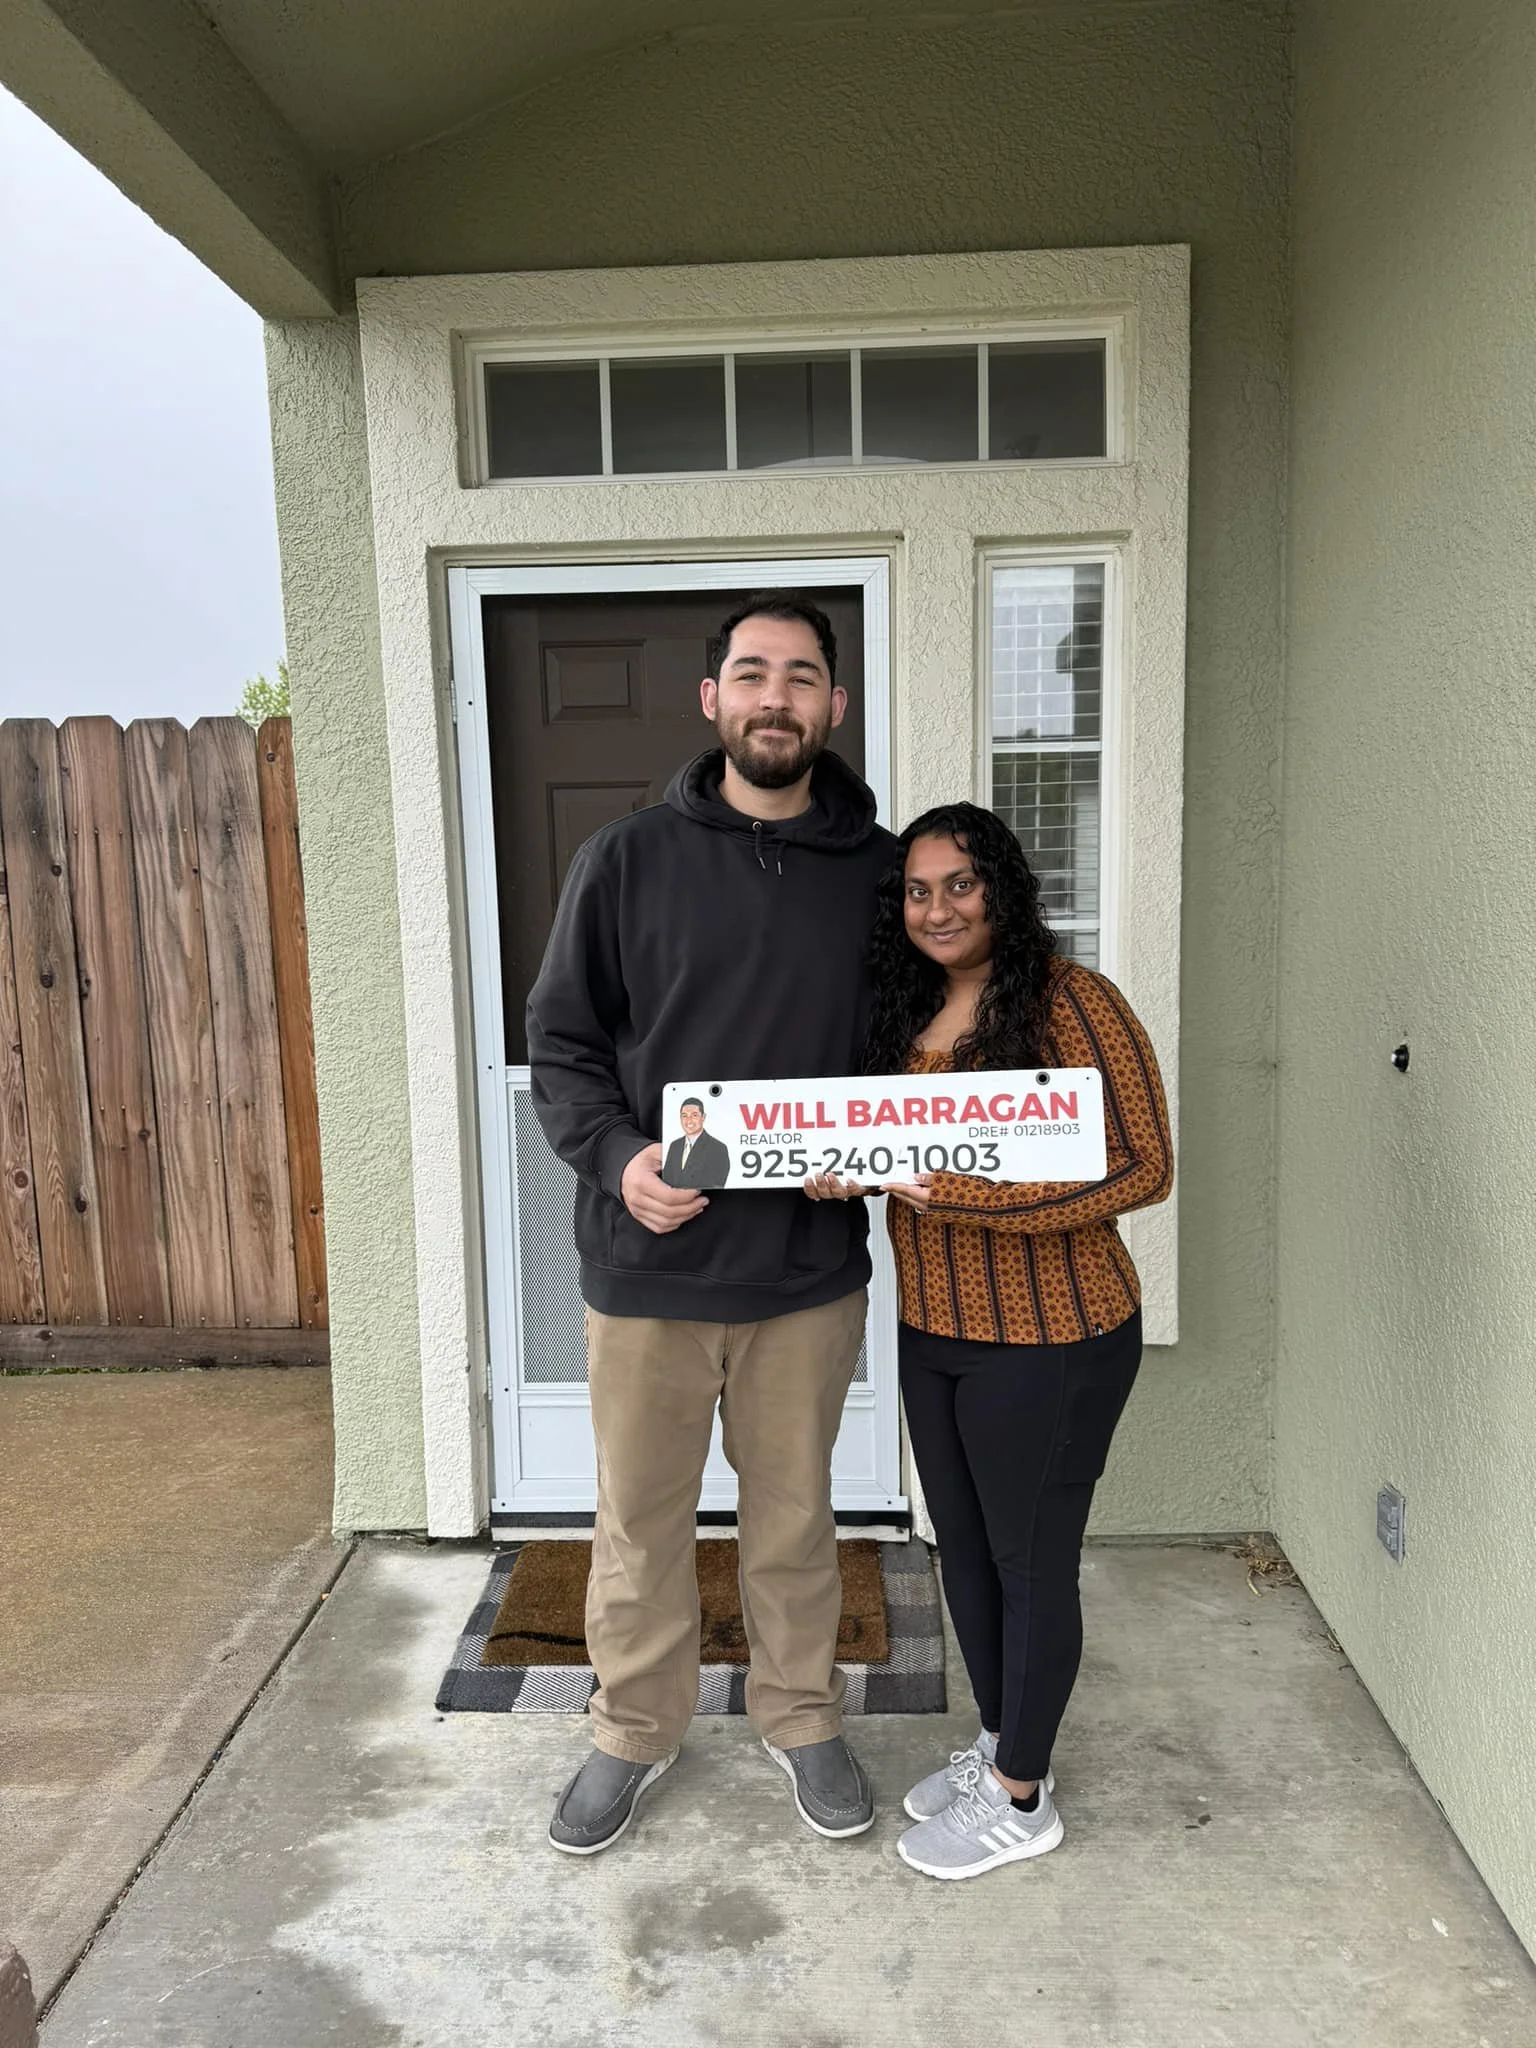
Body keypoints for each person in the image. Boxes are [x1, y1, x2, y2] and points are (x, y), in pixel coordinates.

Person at [527, 591, 899, 1855]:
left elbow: (909, 1058)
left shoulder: (884, 872)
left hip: (804, 1272)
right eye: (752, 672)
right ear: (713, 700)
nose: (775, 697)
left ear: (833, 705)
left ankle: (801, 1717)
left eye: (801, 676)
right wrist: (621, 1157)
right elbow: (564, 1046)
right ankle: (632, 1729)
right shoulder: (623, 860)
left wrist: (870, 1150)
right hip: (647, 1267)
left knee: (796, 1520)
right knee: (640, 1522)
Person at [806, 802, 1172, 1880]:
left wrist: (953, 1194)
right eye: (917, 890)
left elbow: (1142, 1164)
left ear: (1001, 884)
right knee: (960, 1550)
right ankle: (1002, 1744)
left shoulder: (1074, 1000)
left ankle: (1023, 1793)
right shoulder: (908, 1006)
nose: (938, 907)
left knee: (1029, 1556)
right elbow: (888, 1156)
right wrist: (834, 1164)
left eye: (960, 882)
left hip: (1055, 1332)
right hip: (939, 1329)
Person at [663, 1098, 732, 1190]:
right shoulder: (674, 1146)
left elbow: (717, 1185)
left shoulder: (718, 1148)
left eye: (694, 1115)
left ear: (703, 1117)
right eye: (684, 1116)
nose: (689, 1120)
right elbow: (667, 1179)